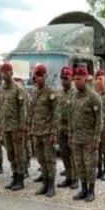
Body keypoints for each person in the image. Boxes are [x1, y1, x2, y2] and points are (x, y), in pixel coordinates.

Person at [67, 66, 103, 202]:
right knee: (79, 165)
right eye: (75, 79)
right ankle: (83, 189)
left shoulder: (94, 97)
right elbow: (70, 117)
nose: (76, 82)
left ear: (86, 80)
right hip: (76, 138)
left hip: (89, 139)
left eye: (79, 79)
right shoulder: (73, 96)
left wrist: (96, 139)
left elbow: (99, 120)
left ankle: (91, 191)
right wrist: (70, 135)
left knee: (90, 166)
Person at [0, 62, 29, 190]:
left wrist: (21, 128)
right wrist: (0, 125)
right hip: (6, 127)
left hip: (16, 128)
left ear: (11, 73)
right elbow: (1, 108)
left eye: (7, 71)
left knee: (19, 154)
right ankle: (15, 176)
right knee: (10, 154)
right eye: (2, 71)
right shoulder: (1, 88)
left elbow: (23, 110)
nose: (4, 74)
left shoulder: (18, 89)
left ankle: (20, 178)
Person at [29, 64, 58, 197]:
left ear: (45, 76)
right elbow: (32, 111)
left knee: (49, 159)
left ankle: (51, 185)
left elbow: (56, 113)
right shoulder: (34, 91)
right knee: (41, 159)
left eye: (40, 75)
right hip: (37, 131)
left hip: (47, 132)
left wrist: (53, 132)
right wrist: (31, 129)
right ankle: (45, 184)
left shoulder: (51, 92)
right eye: (36, 75)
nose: (38, 78)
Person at [55, 66, 78, 189]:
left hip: (72, 129)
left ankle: (75, 178)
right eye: (62, 78)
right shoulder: (59, 92)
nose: (64, 80)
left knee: (73, 154)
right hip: (61, 128)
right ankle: (68, 177)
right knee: (64, 153)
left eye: (66, 78)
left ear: (71, 78)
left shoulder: (76, 93)